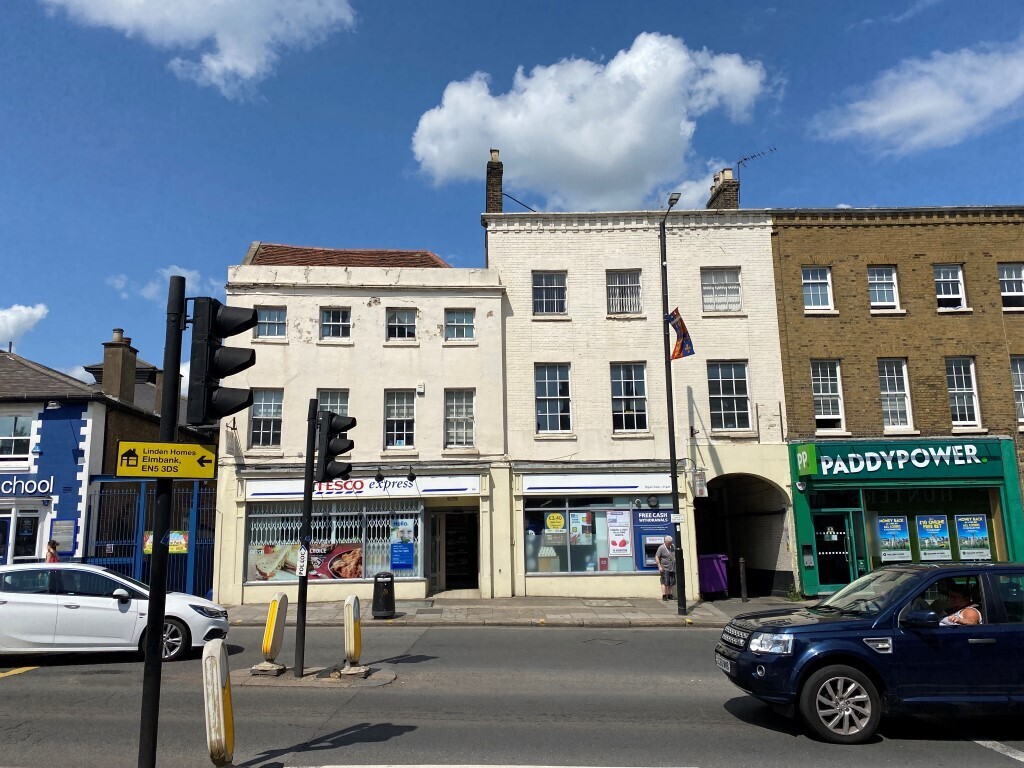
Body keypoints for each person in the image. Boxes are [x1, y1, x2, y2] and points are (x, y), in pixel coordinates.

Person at [655, 535, 676, 601]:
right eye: (669, 543)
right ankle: (664, 595)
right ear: (665, 542)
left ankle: (669, 595)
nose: (670, 544)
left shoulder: (673, 546)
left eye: (671, 542)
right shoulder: (661, 548)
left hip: (672, 567)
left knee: (671, 582)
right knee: (664, 582)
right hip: (664, 568)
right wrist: (659, 566)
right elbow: (657, 557)